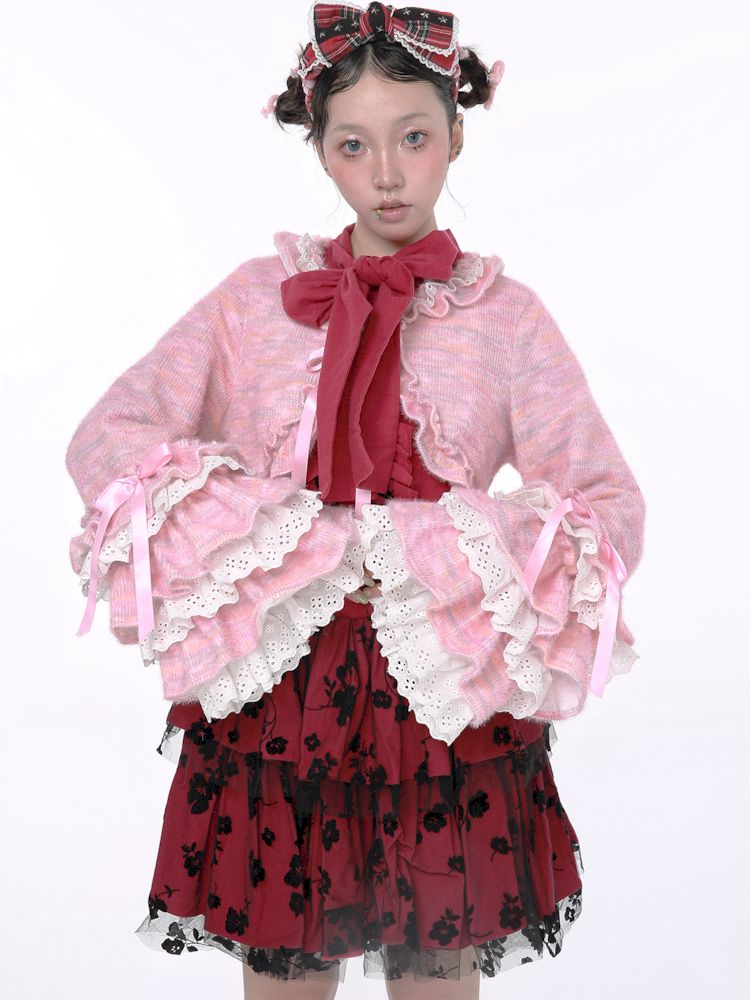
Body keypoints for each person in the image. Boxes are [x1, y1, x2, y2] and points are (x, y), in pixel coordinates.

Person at [64, 3, 646, 998]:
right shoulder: (256, 300)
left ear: (456, 133)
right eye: (354, 145)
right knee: (286, 979)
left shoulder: (507, 321)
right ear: (321, 152)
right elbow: (111, 435)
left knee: (436, 977)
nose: (387, 173)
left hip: (443, 698)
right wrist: (274, 538)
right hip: (282, 695)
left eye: (413, 138)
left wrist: (427, 551)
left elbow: (604, 505)